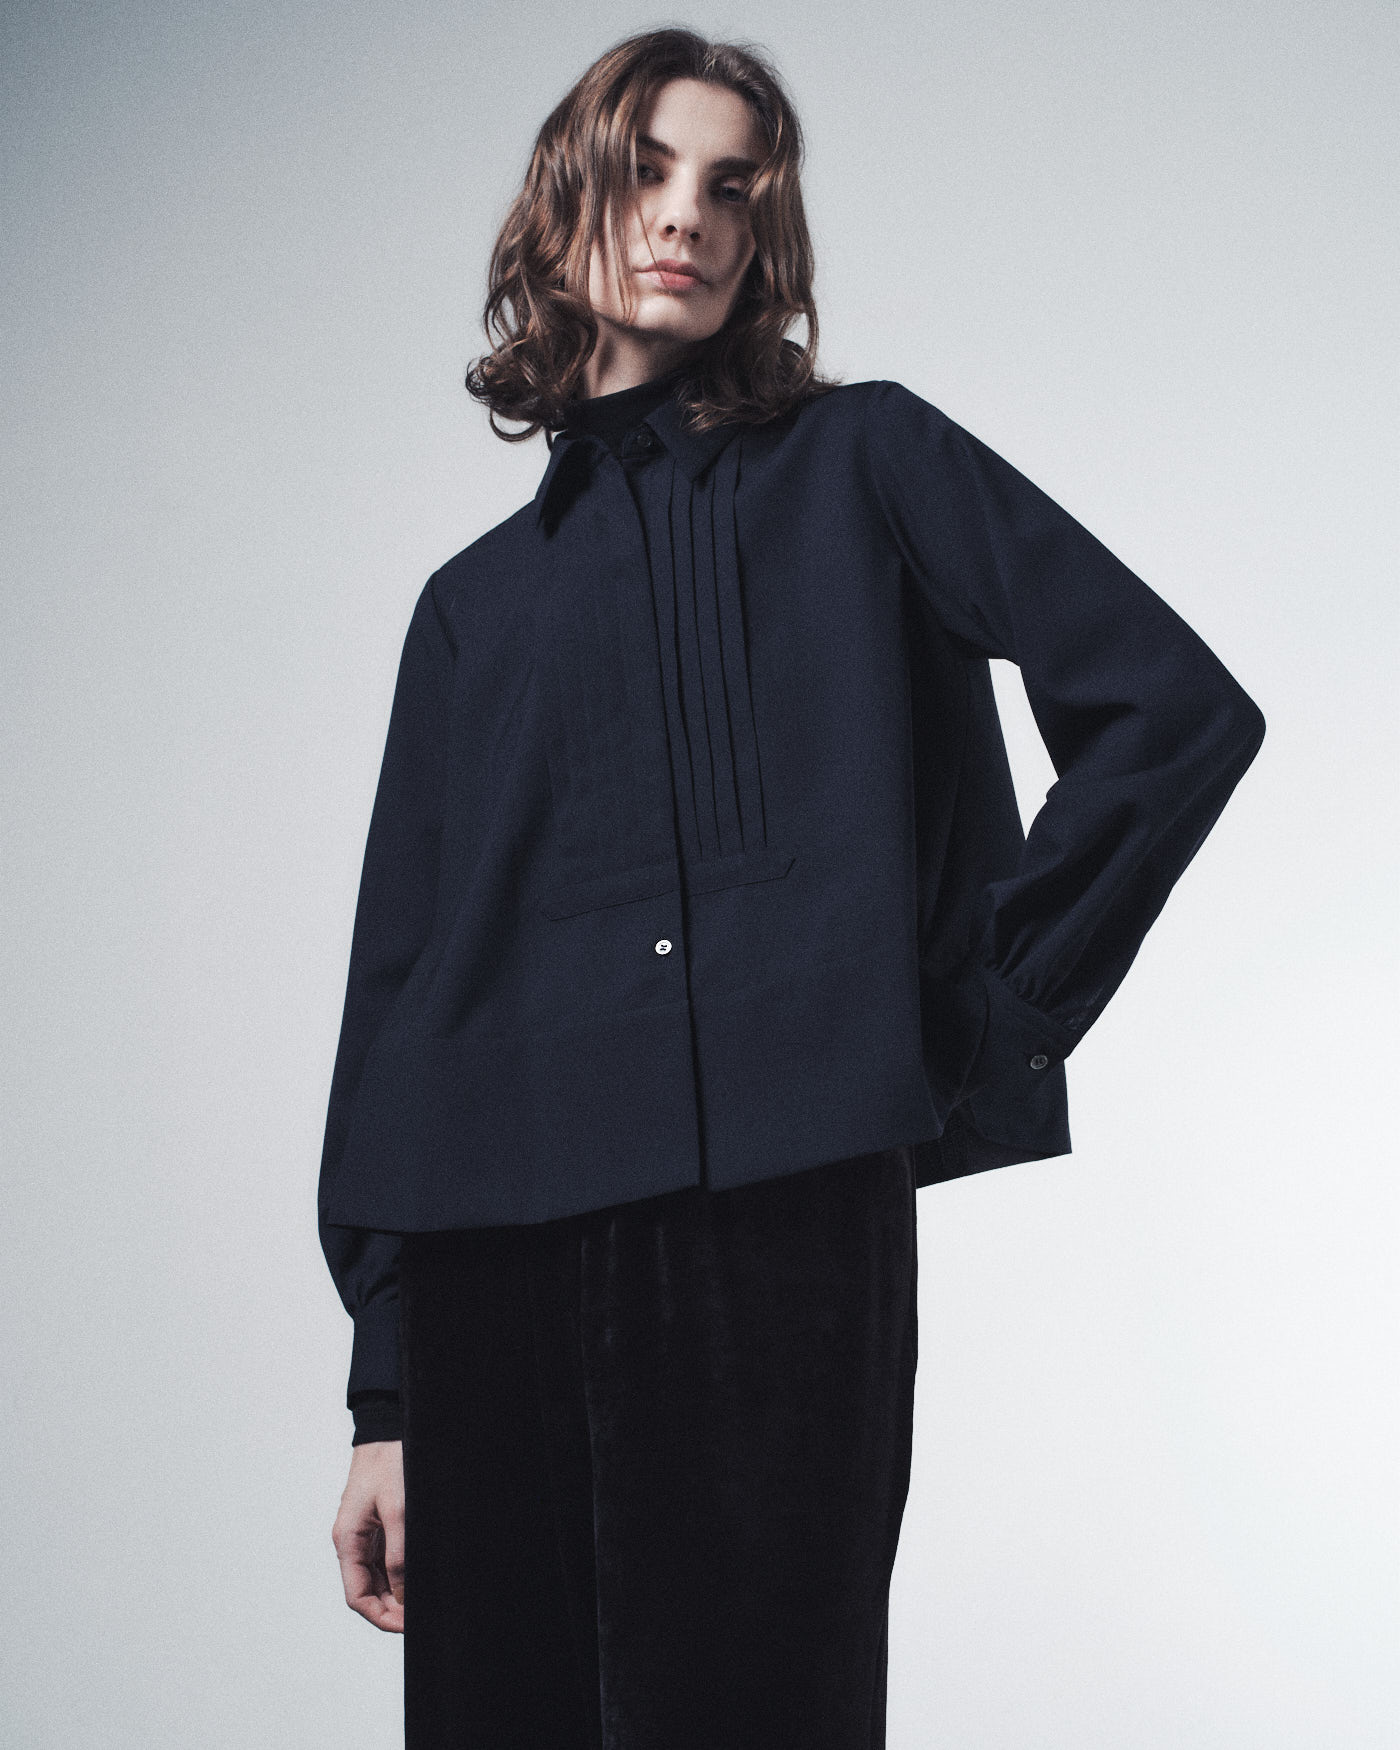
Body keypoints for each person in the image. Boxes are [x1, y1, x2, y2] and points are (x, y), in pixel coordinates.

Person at [319, 26, 1266, 1749]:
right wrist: (387, 1396)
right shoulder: (470, 610)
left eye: (732, 185)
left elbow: (1174, 712)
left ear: (765, 235)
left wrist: (983, 1012)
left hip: (779, 1236)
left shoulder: (869, 463)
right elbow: (399, 1006)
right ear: (565, 202)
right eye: (648, 171)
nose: (687, 214)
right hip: (489, 1273)